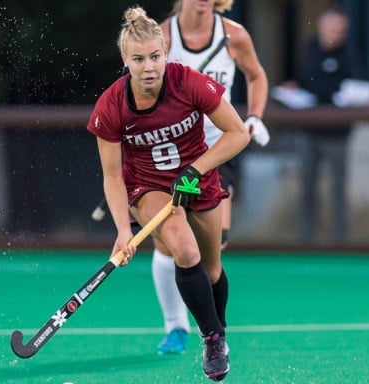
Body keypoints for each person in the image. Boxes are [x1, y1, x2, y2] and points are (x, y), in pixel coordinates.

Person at [87, 6, 249, 381]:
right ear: (125, 60)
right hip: (148, 186)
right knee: (184, 249)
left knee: (211, 269)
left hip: (198, 176)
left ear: (166, 54)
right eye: (139, 59)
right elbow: (113, 177)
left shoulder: (188, 81)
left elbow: (238, 134)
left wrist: (196, 170)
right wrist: (123, 230)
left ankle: (217, 331)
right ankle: (210, 339)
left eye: (155, 56)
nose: (149, 67)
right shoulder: (110, 105)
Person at [151, 0, 269, 355]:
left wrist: (255, 116)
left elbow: (256, 75)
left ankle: (214, 334)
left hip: (218, 152)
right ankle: (175, 327)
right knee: (166, 244)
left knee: (212, 248)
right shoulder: (163, 36)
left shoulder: (234, 35)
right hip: (172, 152)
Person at [281, 6, 359, 243]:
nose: (337, 32)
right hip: (309, 130)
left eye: (341, 28)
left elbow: (357, 86)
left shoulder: (349, 52)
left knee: (338, 188)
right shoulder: (311, 48)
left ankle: (340, 242)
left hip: (338, 133)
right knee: (307, 187)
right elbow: (304, 80)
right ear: (322, 27)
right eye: (333, 27)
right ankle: (305, 240)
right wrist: (293, 87)